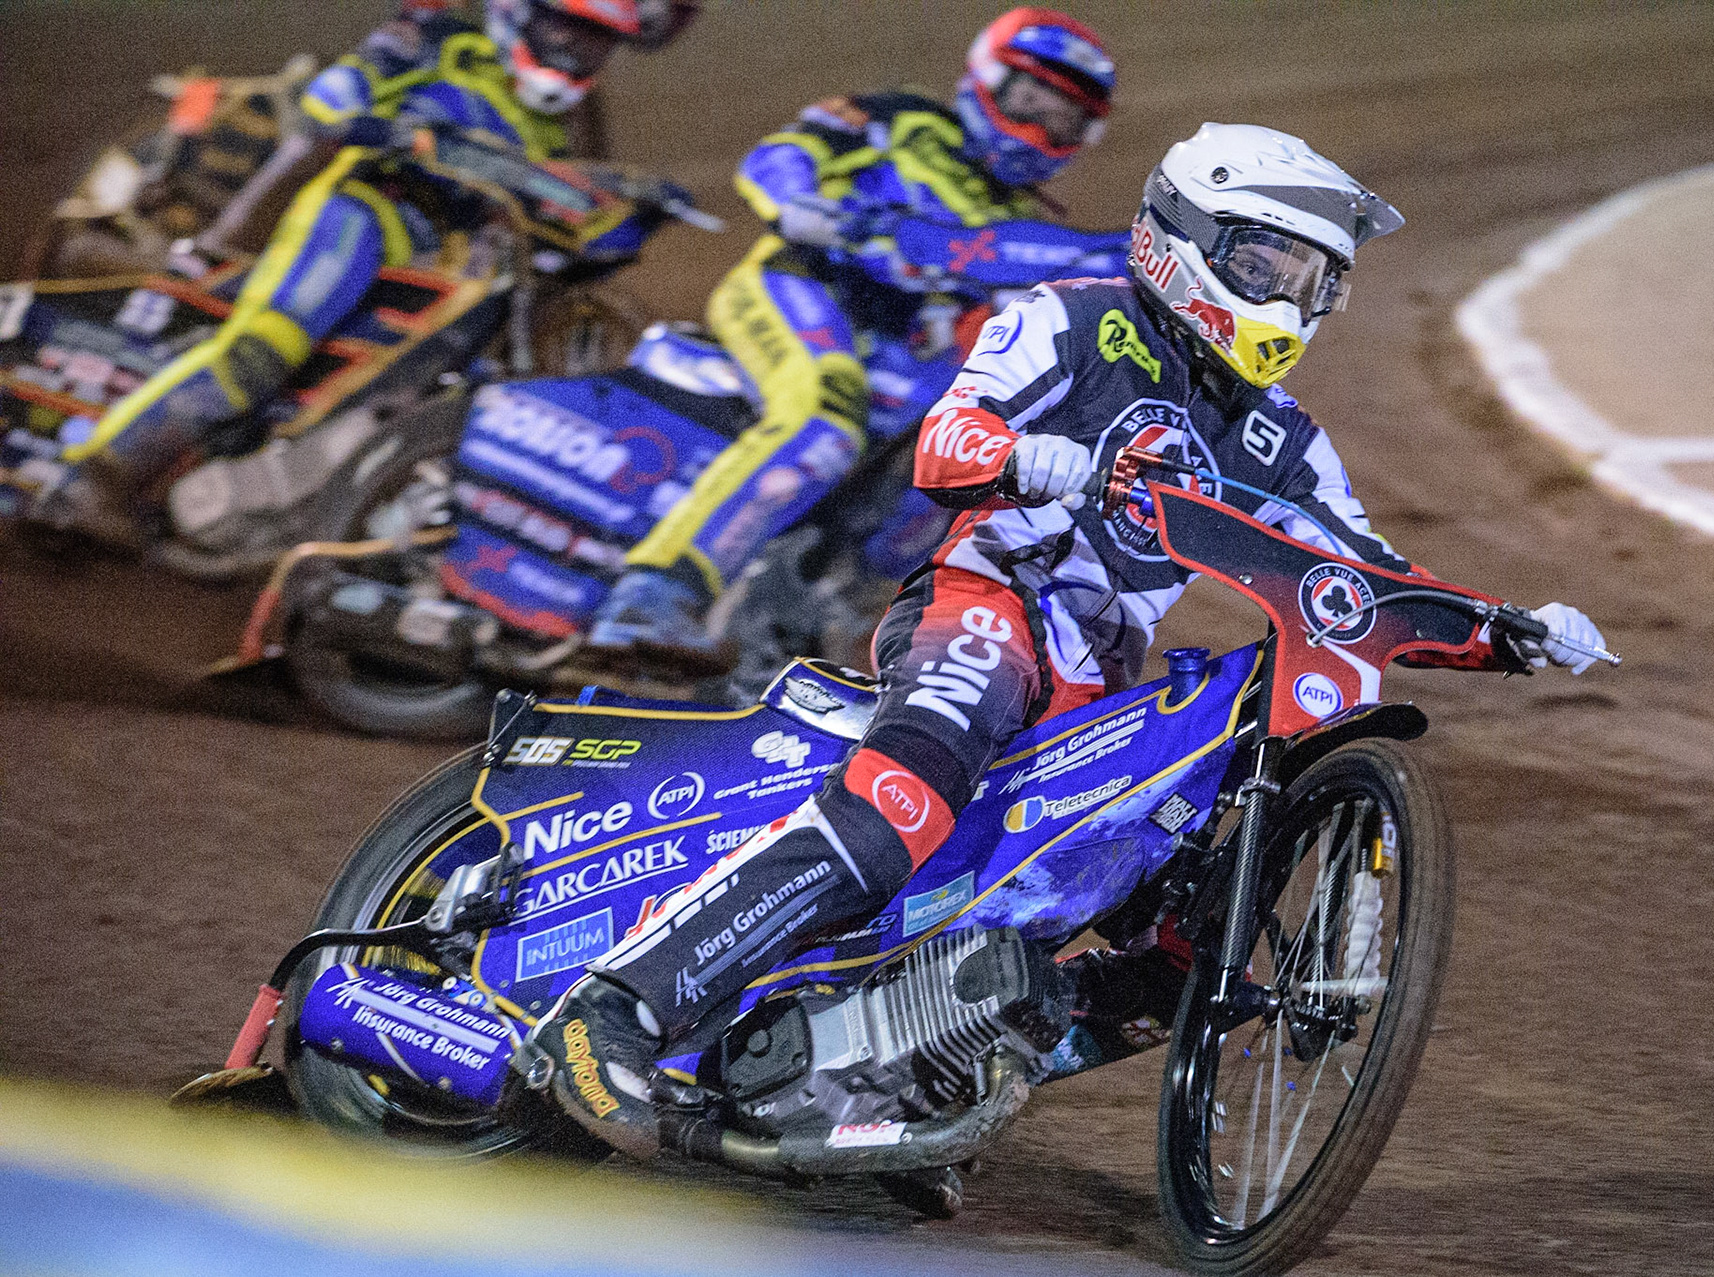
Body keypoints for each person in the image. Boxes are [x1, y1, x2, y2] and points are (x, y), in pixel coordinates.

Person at [518, 123, 1608, 1150]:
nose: (1290, 300)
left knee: (1178, 946)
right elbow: (945, 437)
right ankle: (614, 1009)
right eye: (1269, 265)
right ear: (1187, 239)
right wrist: (1022, 458)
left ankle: (908, 1083)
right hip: (986, 604)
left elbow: (1362, 575)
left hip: (1100, 690)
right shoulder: (1074, 318)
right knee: (908, 795)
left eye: (1315, 280)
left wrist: (1504, 630)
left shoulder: (1286, 439)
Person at [586, 6, 1119, 668]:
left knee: (960, 470)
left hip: (890, 355)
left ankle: (817, 620)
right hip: (798, 287)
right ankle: (653, 591)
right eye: (1031, 99)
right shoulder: (904, 119)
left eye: (1063, 117)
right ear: (988, 77)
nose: (1040, 125)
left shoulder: (1019, 228)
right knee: (826, 421)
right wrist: (804, 205)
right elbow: (783, 154)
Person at [44, 0, 696, 521]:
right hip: (364, 215)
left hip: (449, 265)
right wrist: (384, 122)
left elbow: (570, 216)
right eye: (566, 29)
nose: (576, 51)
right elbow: (332, 97)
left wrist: (637, 207)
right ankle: (91, 476)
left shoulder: (560, 130)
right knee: (264, 349)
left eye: (596, 41)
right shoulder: (440, 39)